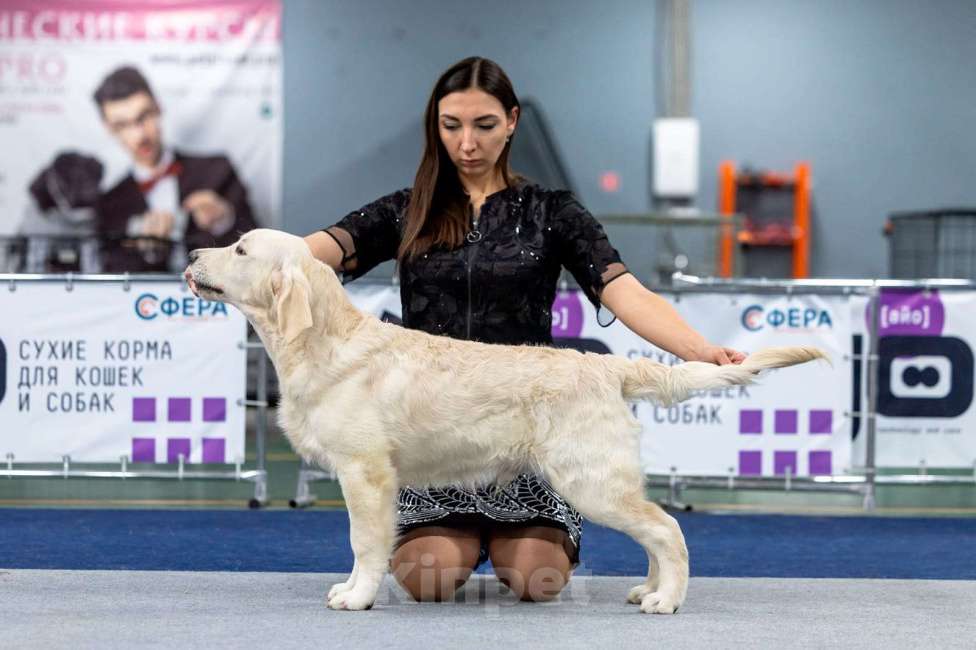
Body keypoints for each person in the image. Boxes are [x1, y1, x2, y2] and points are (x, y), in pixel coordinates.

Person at [304, 57, 746, 604]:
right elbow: (304, 257)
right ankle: (452, 533)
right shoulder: (404, 210)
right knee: (430, 579)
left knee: (536, 579)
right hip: (433, 433)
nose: (467, 142)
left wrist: (699, 350)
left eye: (484, 125)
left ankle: (600, 543)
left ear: (511, 121)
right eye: (451, 126)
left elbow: (623, 290)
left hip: (530, 417)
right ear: (435, 127)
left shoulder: (552, 211)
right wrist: (243, 264)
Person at [93, 66, 258, 272]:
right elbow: (110, 281)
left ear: (158, 107)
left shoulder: (218, 171)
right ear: (109, 129)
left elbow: (258, 249)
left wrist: (224, 220)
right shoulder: (108, 205)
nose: (140, 135)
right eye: (123, 125)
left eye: (144, 116)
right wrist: (147, 254)